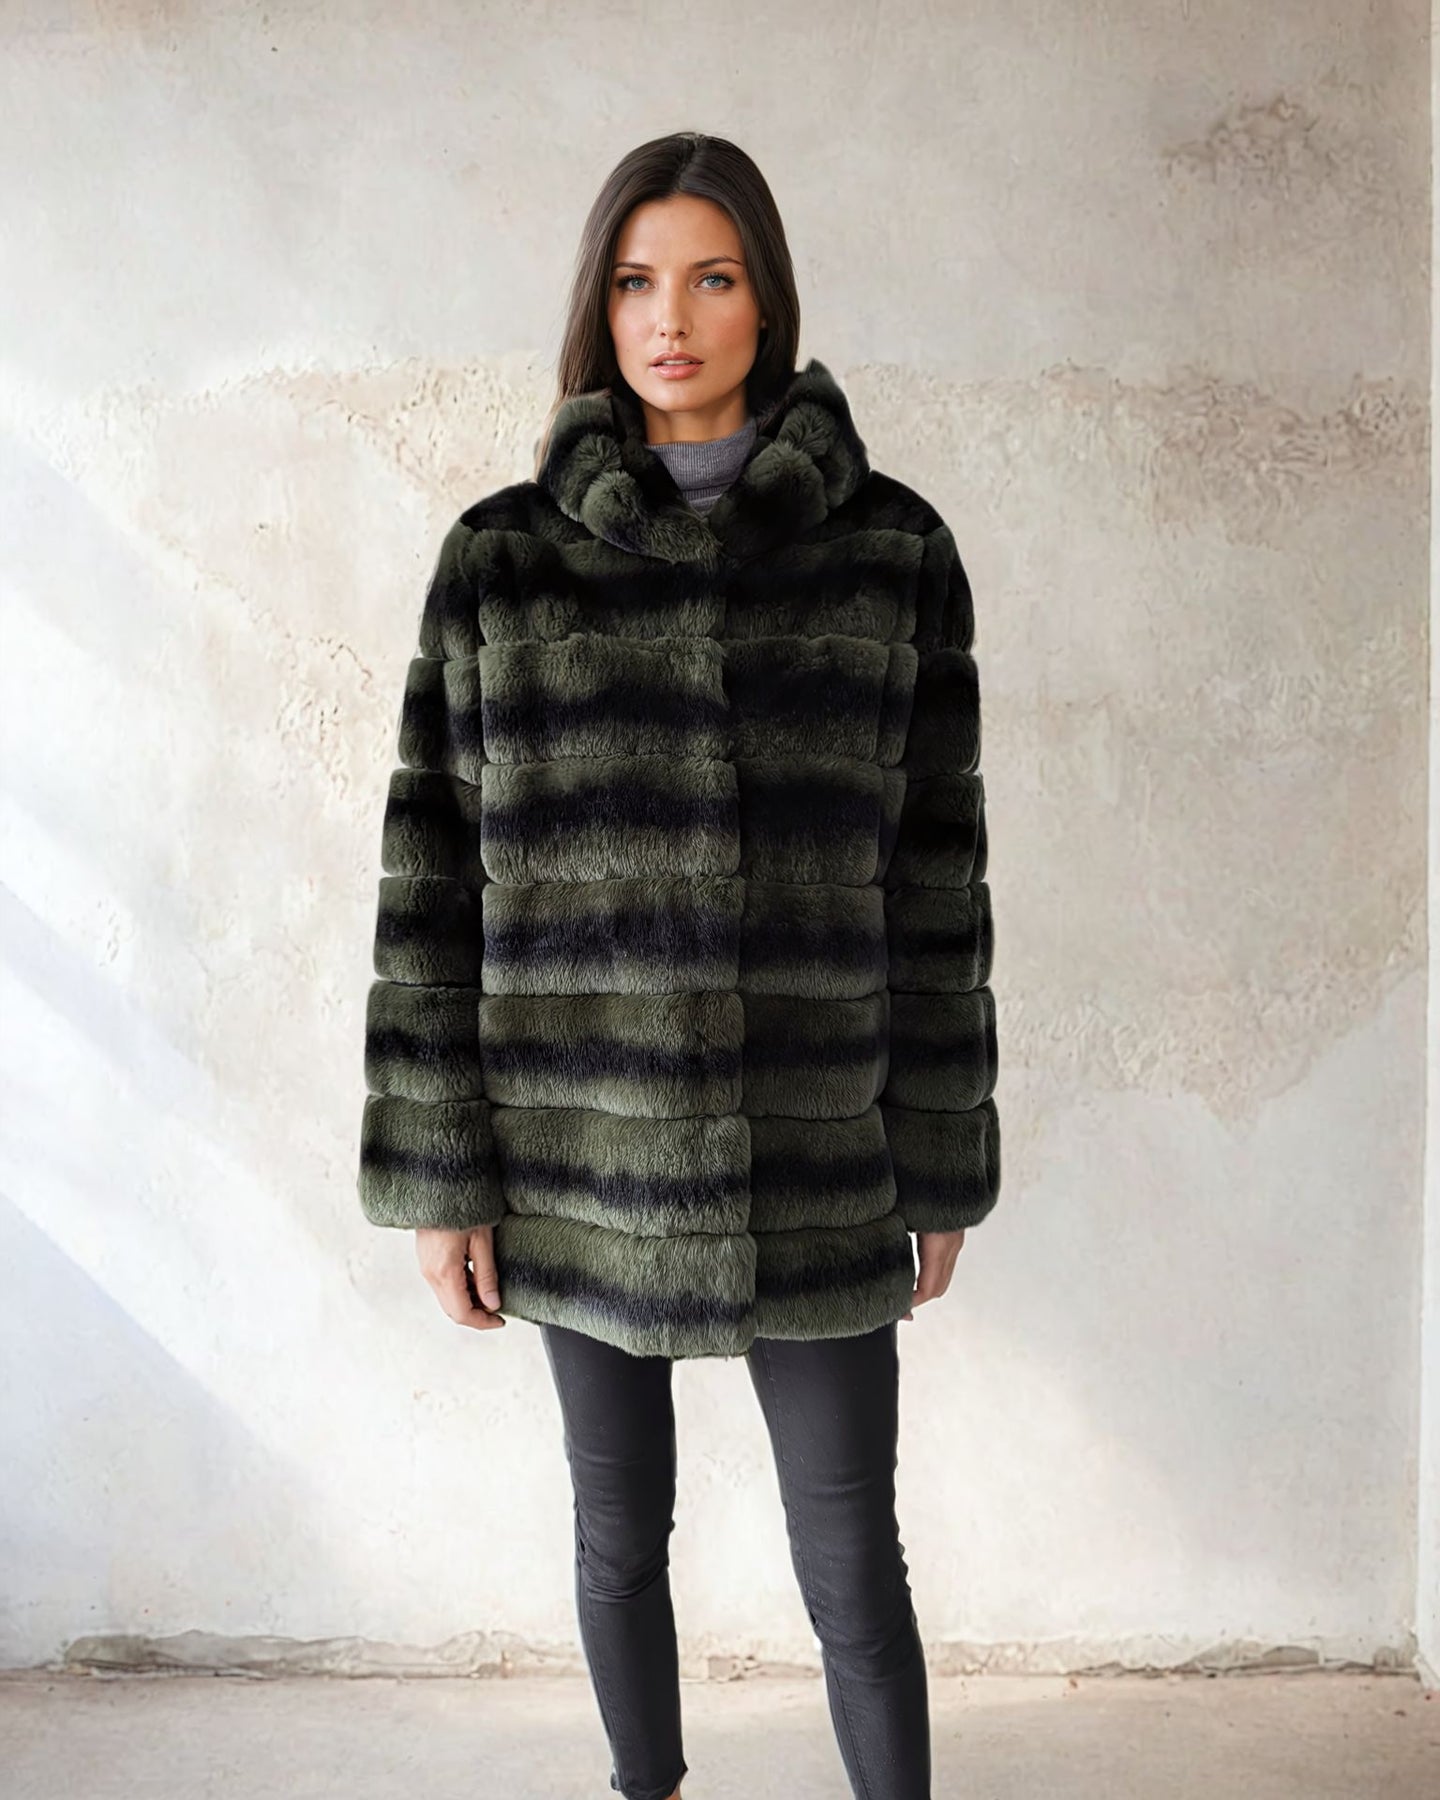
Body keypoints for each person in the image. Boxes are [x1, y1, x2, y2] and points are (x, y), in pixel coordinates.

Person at [357, 130, 1001, 1800]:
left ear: (765, 299)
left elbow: (937, 880)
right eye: (639, 281)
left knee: (852, 1551)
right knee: (613, 1530)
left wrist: (940, 1159)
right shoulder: (500, 561)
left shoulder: (894, 555)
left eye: (712, 277)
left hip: (819, 1150)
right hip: (578, 1151)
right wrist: (441, 1179)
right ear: (600, 304)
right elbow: (431, 885)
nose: (672, 318)